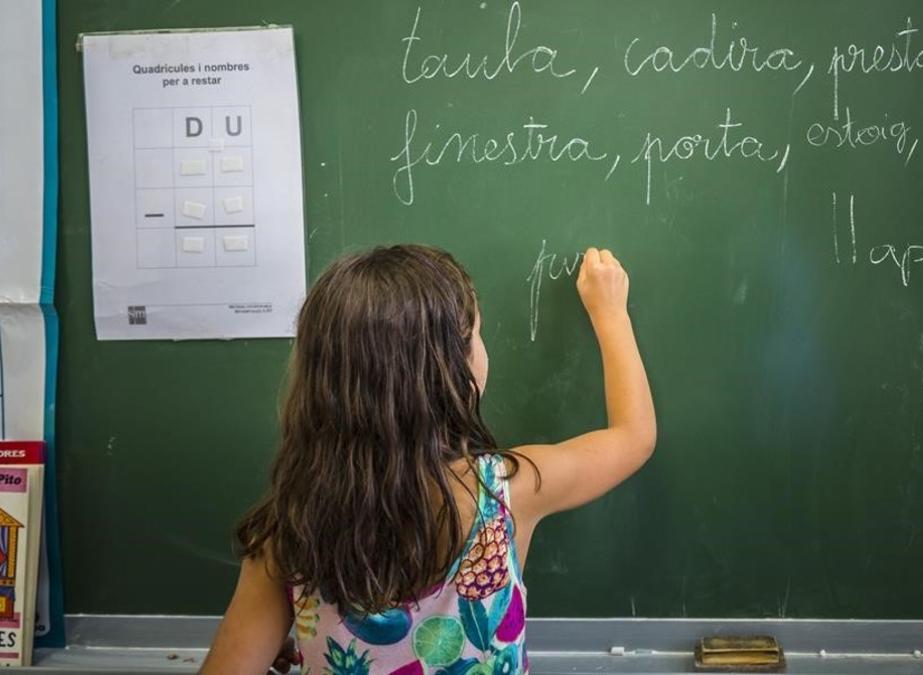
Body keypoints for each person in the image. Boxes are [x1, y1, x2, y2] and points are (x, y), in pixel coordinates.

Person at [201, 244, 655, 674]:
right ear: (452, 370)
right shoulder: (506, 494)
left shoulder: (289, 533)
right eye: (476, 335)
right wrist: (610, 312)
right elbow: (634, 437)